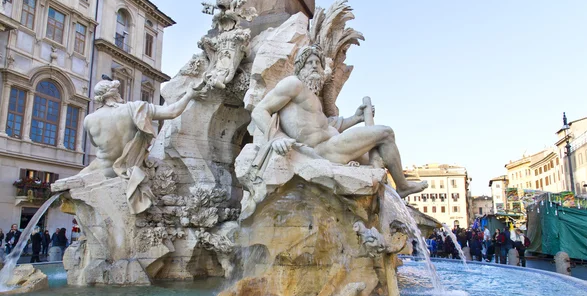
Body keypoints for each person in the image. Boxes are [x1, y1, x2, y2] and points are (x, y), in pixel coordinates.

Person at [250, 45, 428, 198]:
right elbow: (259, 110)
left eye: (317, 63)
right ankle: (403, 186)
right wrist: (277, 137)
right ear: (300, 67)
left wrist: (356, 118)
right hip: (324, 150)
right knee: (386, 133)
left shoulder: (311, 97)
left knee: (379, 160)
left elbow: (328, 125)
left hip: (334, 145)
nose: (314, 66)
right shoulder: (293, 84)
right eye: (309, 62)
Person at [78, 78, 206, 214]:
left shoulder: (89, 120)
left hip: (103, 172)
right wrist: (189, 95)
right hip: (130, 172)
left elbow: (94, 144)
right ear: (116, 94)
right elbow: (172, 112)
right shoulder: (134, 109)